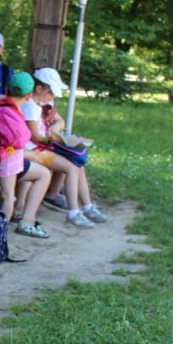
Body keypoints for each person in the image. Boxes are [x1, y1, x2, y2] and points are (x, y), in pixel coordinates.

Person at [0, 72, 53, 239]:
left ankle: (3, 206)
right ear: (28, 96)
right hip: (8, 157)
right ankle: (0, 234)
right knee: (8, 197)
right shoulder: (14, 113)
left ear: (7, 88)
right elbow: (21, 141)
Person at [20, 68, 108, 227]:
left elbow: (60, 121)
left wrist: (56, 130)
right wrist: (55, 139)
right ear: (39, 89)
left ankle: (87, 206)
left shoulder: (41, 103)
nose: (53, 97)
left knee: (77, 164)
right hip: (34, 151)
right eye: (51, 93)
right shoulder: (30, 107)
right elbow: (35, 137)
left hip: (41, 149)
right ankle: (74, 212)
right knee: (72, 168)